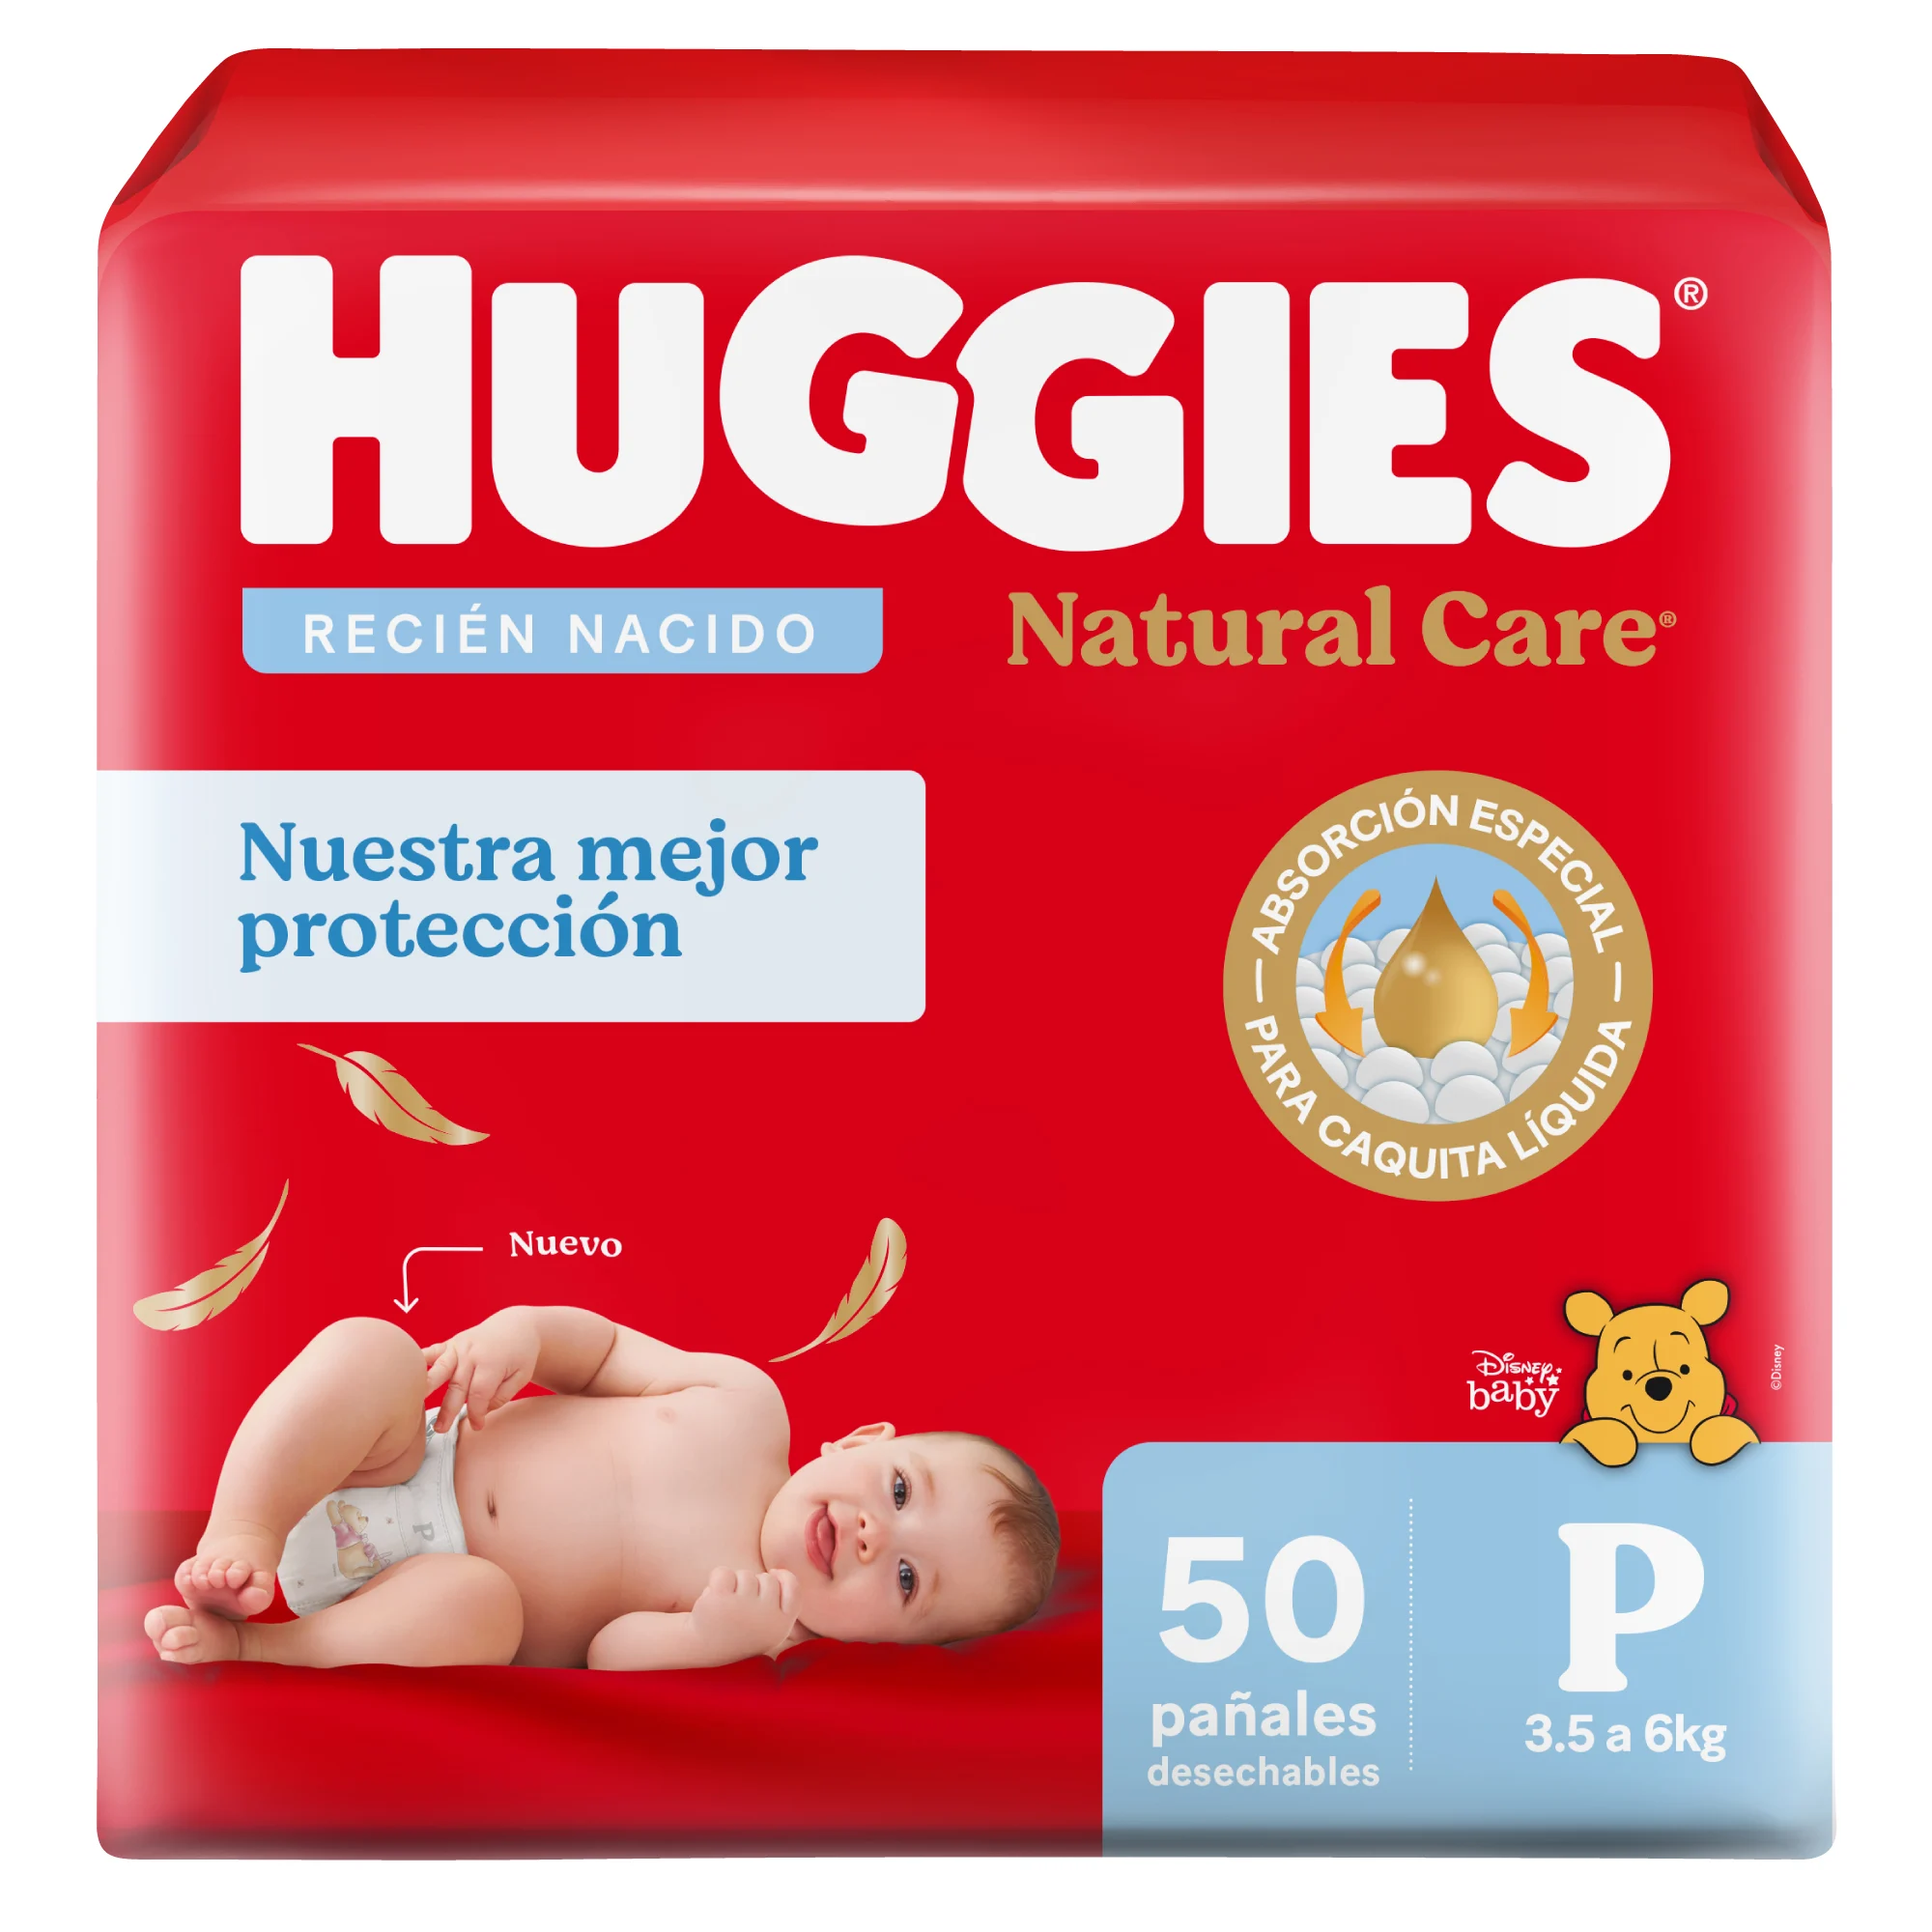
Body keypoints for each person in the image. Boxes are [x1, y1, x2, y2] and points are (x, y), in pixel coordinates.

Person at [142, 1308, 1058, 1669]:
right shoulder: (747, 1404)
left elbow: (610, 1654)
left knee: (484, 1609)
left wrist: (707, 1640)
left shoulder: (759, 1621)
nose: (873, 1538)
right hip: (394, 1459)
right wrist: (527, 1336)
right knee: (371, 1351)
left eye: (907, 1579)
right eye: (898, 1492)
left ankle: (268, 1648)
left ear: (892, 1643)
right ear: (861, 1441)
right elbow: (610, 1352)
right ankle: (245, 1530)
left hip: (418, 1600)